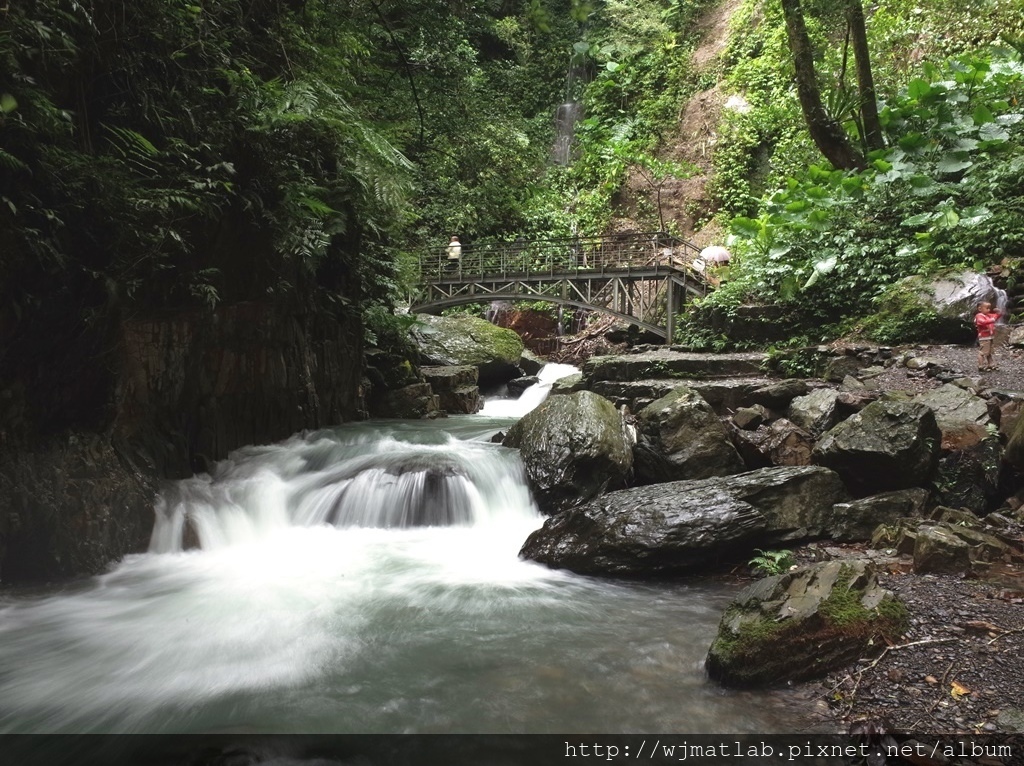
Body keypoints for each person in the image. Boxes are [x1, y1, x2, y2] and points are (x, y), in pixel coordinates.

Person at [974, 300, 1001, 371]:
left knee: (989, 351)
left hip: (990, 336)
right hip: (984, 337)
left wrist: (998, 312)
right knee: (982, 352)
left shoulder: (988, 315)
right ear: (980, 309)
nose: (989, 310)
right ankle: (981, 365)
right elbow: (982, 322)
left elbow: (996, 316)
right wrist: (992, 320)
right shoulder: (979, 316)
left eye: (990, 308)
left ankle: (990, 364)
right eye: (987, 308)